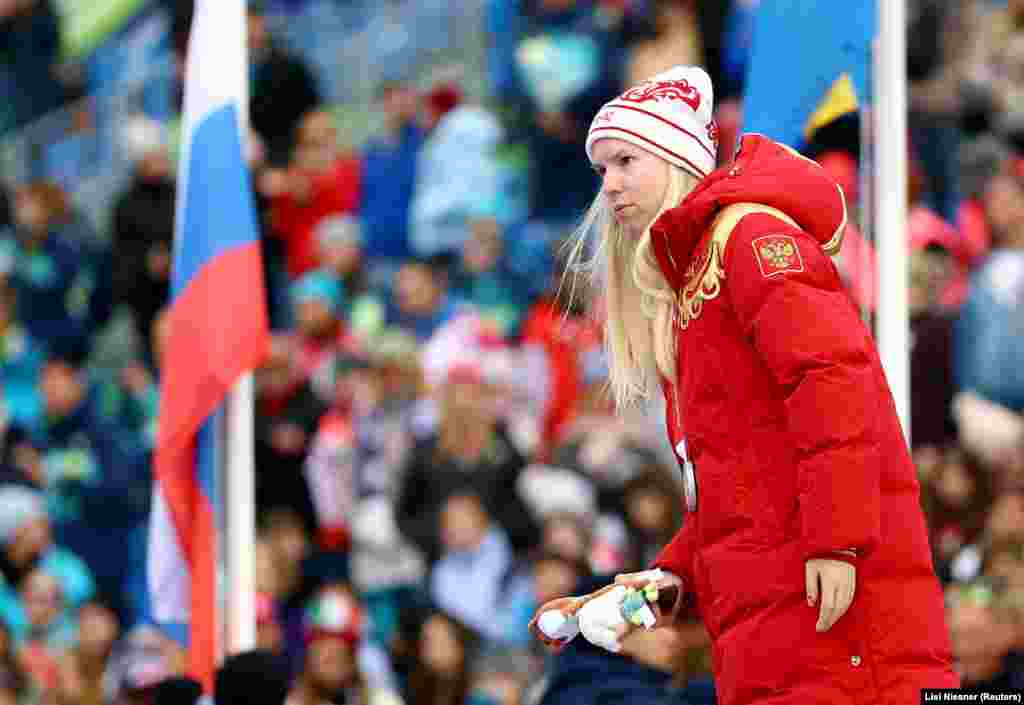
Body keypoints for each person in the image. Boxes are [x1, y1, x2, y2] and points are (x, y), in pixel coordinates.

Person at [529, 65, 959, 705]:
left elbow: (833, 385)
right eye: (601, 171)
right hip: (769, 628)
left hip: (831, 618)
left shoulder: (748, 239)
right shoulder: (685, 299)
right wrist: (664, 582)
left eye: (625, 161)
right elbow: (734, 493)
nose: (609, 185)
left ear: (675, 159)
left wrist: (837, 542)